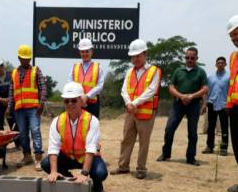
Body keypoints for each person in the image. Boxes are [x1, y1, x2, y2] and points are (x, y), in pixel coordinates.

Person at [41, 82, 108, 192]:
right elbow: (53, 148)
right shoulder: (57, 121)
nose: (70, 103)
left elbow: (91, 149)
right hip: (68, 156)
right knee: (46, 163)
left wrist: (84, 173)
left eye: (74, 100)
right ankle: (66, 177)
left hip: (86, 157)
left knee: (100, 173)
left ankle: (97, 183)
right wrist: (53, 171)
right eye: (67, 100)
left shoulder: (91, 120)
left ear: (81, 101)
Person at [110, 39, 162, 179]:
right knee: (127, 139)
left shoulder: (154, 71)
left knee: (143, 141)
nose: (135, 59)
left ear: (145, 54)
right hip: (130, 112)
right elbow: (124, 90)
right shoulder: (129, 72)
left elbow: (151, 90)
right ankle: (123, 166)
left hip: (145, 113)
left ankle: (141, 169)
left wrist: (134, 104)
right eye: (133, 56)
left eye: (138, 55)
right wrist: (128, 103)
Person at [157, 47, 208, 166]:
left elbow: (205, 88)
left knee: (192, 133)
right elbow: (171, 87)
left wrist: (191, 96)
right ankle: (166, 154)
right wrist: (181, 96)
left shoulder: (201, 72)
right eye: (187, 57)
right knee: (169, 129)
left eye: (192, 58)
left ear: (196, 58)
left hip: (194, 105)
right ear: (185, 57)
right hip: (178, 104)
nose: (189, 60)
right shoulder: (178, 71)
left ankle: (191, 158)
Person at [7, 45, 47, 171]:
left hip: (34, 108)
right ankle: (27, 156)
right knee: (23, 134)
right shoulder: (13, 73)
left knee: (35, 131)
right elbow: (11, 92)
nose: (26, 61)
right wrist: (9, 107)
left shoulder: (36, 70)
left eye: (28, 59)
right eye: (23, 59)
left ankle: (39, 158)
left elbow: (43, 88)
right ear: (19, 58)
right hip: (19, 109)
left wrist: (41, 104)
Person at [68, 38, 104, 118]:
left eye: (87, 51)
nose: (85, 54)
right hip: (77, 103)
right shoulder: (74, 67)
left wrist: (87, 96)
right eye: (82, 52)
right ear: (80, 53)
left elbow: (100, 86)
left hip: (92, 104)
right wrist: (80, 97)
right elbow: (70, 83)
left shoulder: (98, 67)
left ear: (91, 51)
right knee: (77, 128)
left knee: (92, 127)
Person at [0, 57, 19, 147]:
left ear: (2, 66)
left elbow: (15, 89)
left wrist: (9, 100)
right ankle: (0, 146)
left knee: (14, 124)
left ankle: (18, 144)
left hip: (11, 104)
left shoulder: (11, 75)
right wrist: (1, 100)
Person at [202, 57, 230, 156]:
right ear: (215, 64)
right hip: (212, 104)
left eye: (222, 63)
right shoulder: (210, 77)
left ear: (225, 64)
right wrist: (204, 104)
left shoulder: (229, 77)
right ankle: (209, 146)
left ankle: (224, 148)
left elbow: (231, 91)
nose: (220, 64)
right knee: (211, 127)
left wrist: (229, 104)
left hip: (224, 105)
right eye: (218, 63)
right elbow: (206, 92)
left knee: (224, 127)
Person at [225, 15, 238, 192]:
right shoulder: (234, 57)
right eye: (232, 36)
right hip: (235, 108)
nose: (234, 39)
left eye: (236, 34)